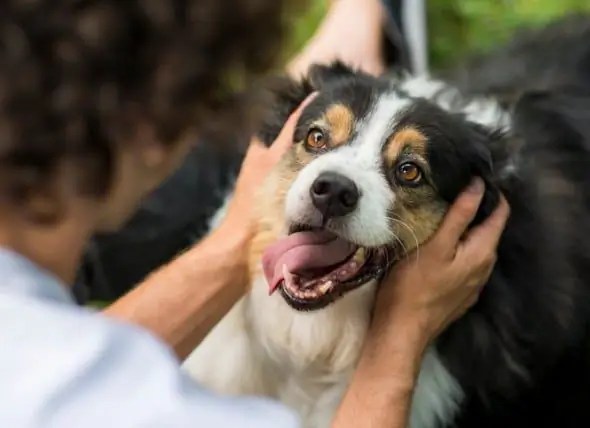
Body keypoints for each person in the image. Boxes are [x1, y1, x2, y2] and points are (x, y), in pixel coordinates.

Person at [0, 1, 510, 428]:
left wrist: (241, 238)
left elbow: (74, 367)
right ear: (152, 134)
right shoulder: (165, 412)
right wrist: (401, 337)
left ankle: (355, 37)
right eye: (200, 105)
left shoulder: (39, 354)